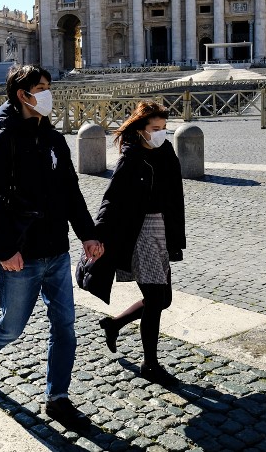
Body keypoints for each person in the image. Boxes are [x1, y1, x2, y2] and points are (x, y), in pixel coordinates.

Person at [0, 64, 101, 430]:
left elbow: (71, 192)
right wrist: (3, 249)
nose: (47, 93)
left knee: (66, 327)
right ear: (22, 95)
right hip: (20, 254)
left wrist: (88, 235)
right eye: (40, 88)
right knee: (11, 327)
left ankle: (57, 398)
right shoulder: (2, 141)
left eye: (48, 86)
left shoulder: (55, 139)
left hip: (57, 249)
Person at [90, 101, 186, 386]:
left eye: (164, 128)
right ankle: (150, 364)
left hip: (162, 230)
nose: (161, 134)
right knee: (156, 299)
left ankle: (114, 324)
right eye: (155, 129)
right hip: (140, 232)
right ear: (141, 130)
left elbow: (174, 198)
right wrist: (97, 235)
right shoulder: (131, 159)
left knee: (163, 298)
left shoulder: (166, 151)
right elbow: (111, 198)